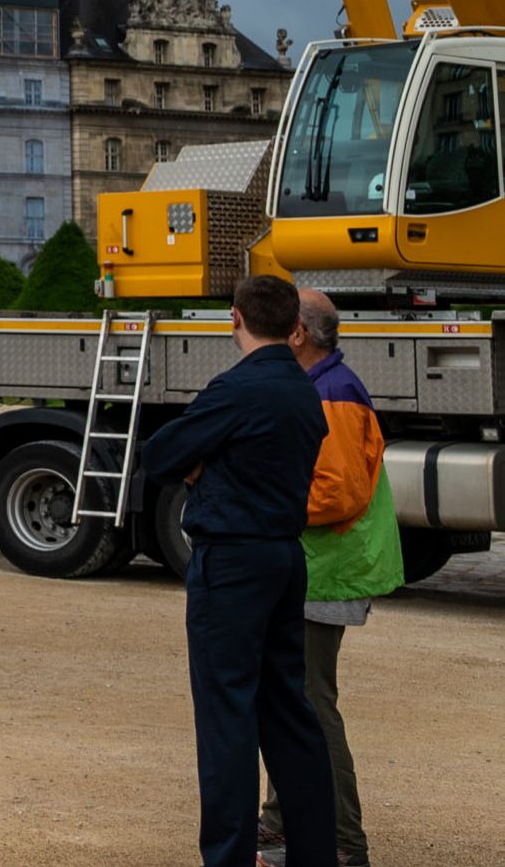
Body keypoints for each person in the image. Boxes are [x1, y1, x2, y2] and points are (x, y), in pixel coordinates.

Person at [139, 274, 336, 867]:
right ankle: (315, 854)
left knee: (227, 717)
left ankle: (227, 857)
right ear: (294, 327)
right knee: (289, 712)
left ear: (234, 320)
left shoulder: (236, 388)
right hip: (285, 555)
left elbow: (159, 455)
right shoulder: (303, 389)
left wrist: (206, 470)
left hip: (232, 562)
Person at [257, 288, 401, 867]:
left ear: (298, 336)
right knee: (295, 699)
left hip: (327, 570)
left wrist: (260, 502)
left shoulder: (332, 393)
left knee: (312, 703)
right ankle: (279, 824)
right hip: (318, 567)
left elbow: (336, 493)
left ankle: (343, 842)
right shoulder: (324, 386)